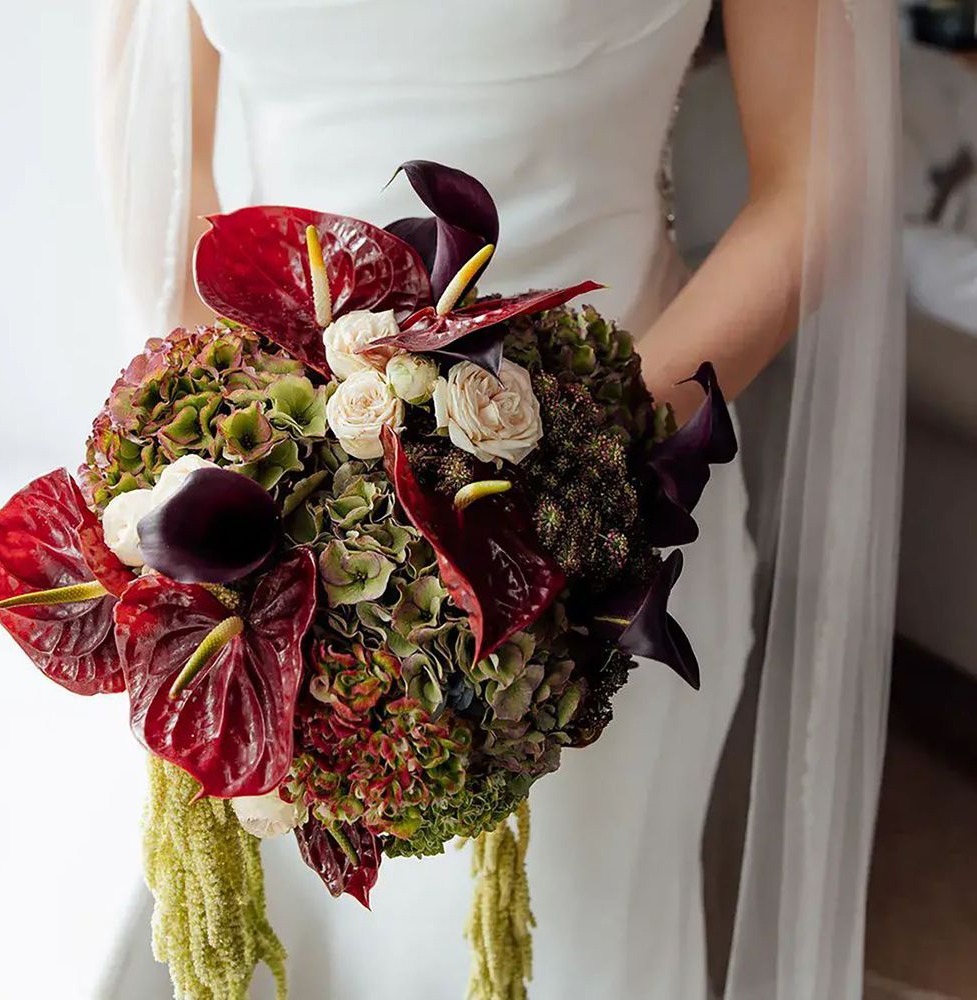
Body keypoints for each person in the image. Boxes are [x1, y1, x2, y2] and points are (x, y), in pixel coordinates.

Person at [97, 1, 904, 997]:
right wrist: (220, 461)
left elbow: (817, 178)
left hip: (605, 533)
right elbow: (161, 160)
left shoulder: (592, 503)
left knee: (571, 943)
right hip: (274, 546)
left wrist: (571, 486)